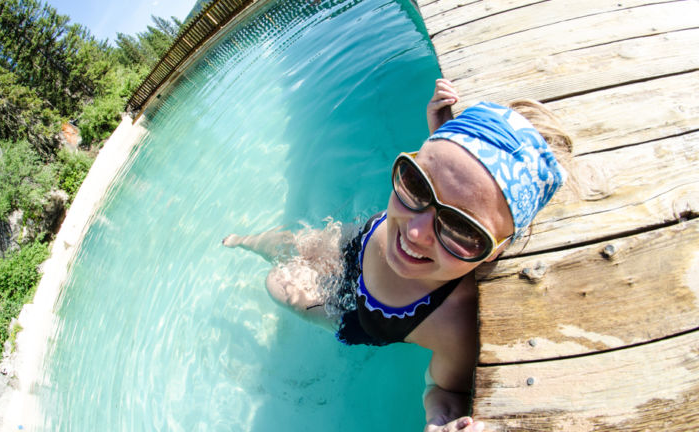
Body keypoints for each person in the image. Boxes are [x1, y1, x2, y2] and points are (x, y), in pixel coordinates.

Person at [223, 79, 572, 432]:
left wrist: (439, 420)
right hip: (362, 241)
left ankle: (256, 248)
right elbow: (452, 179)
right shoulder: (433, 216)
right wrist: (442, 134)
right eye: (418, 183)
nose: (416, 233)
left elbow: (444, 389)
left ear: (496, 250)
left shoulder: (452, 323)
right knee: (297, 243)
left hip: (355, 312)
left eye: (461, 229)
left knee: (279, 283)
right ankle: (250, 242)